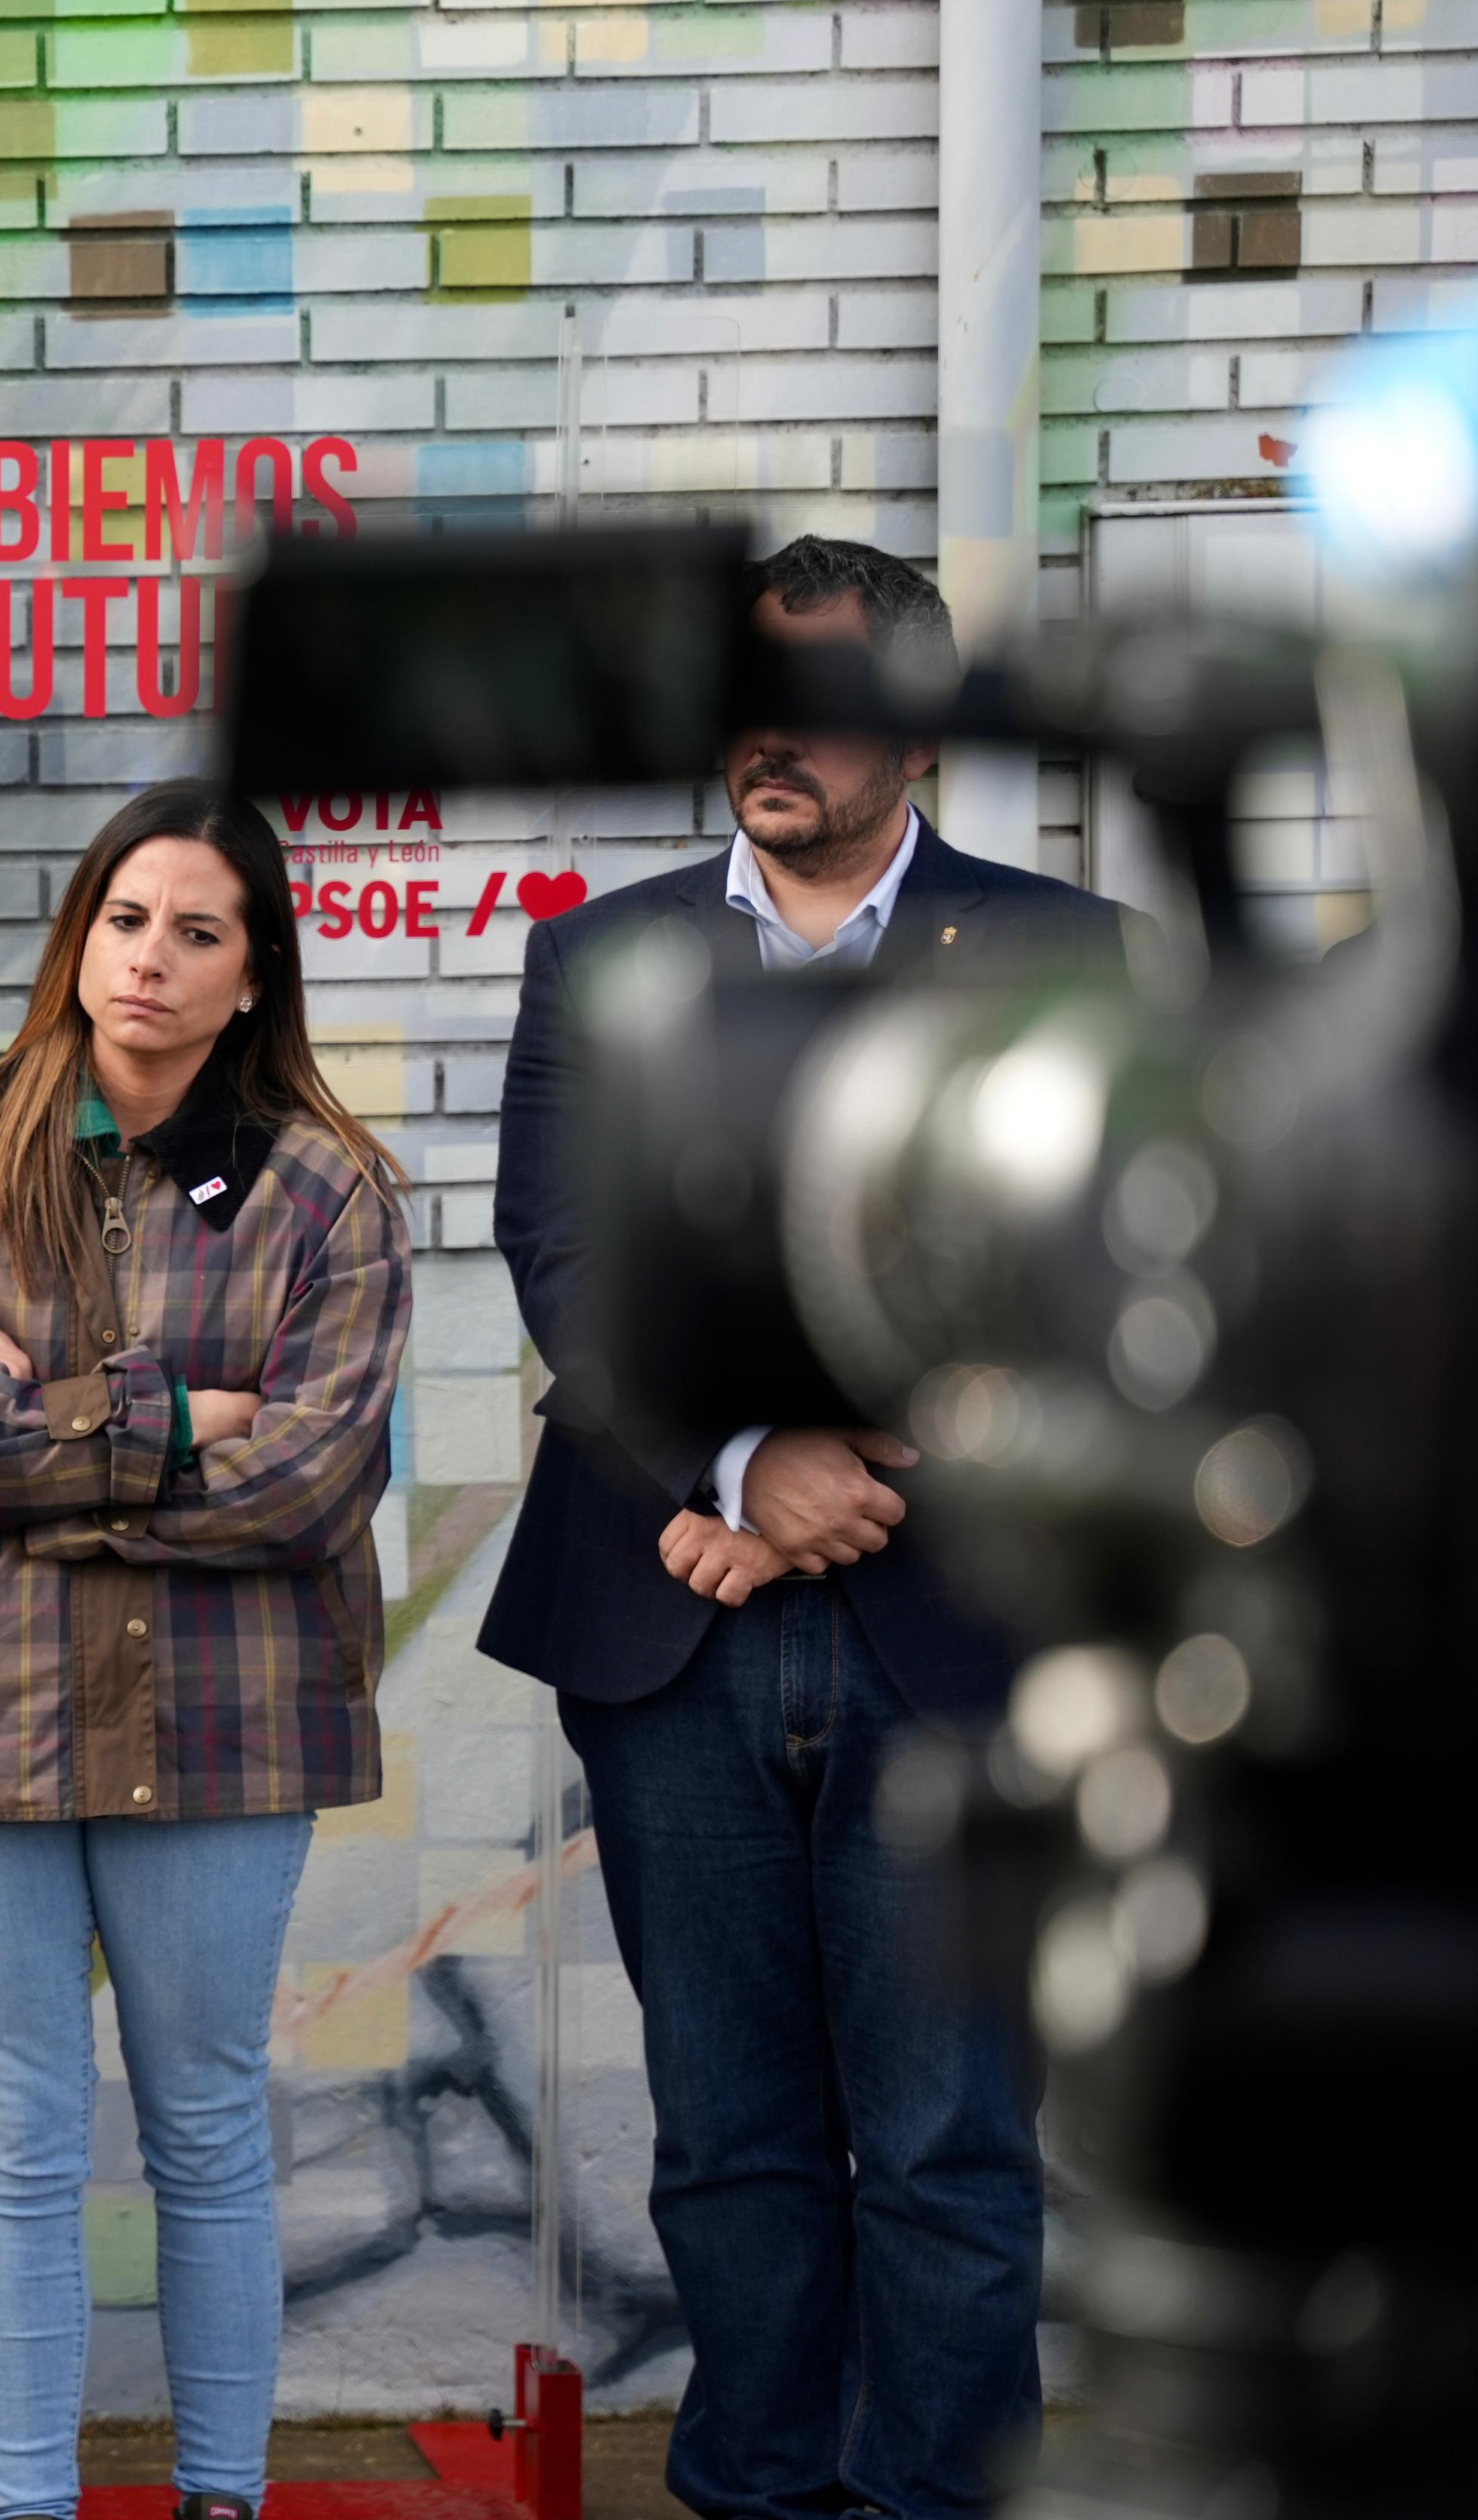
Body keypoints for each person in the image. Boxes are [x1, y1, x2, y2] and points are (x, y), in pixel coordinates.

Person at [480, 536, 1125, 2518]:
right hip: (673, 1634)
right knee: (730, 2135)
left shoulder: (1061, 954)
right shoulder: (609, 954)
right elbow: (565, 1253)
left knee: (944, 2136)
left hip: (952, 1631)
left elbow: (1074, 1278)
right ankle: (760, 2491)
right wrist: (742, 1464)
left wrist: (825, 1479)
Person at [0, 788, 407, 2520]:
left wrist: (53, 1439)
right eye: (122, 920)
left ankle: (218, 2497)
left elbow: (310, 1482)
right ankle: (30, 2505)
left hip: (232, 1714)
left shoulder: (327, 1187)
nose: (148, 961)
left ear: (254, 977)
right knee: (18, 2138)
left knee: (206, 2127)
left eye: (196, 932)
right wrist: (178, 1427)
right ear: (75, 938)